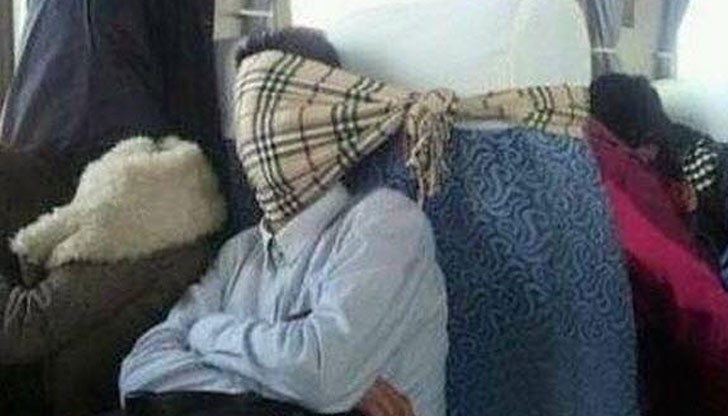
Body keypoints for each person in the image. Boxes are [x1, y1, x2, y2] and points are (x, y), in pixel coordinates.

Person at [116, 28, 448, 416]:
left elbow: (322, 375)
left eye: (274, 113)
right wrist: (285, 386)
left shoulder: (386, 223)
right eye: (246, 116)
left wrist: (204, 331)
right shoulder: (240, 252)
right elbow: (140, 371)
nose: (255, 136)